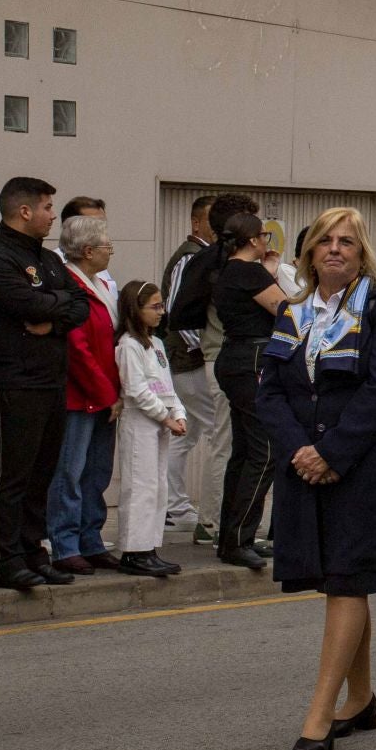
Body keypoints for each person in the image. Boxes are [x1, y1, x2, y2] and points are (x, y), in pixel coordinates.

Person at [253, 207, 376, 750]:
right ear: (309, 251)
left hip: (361, 467)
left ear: (361, 251)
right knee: (342, 580)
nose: (335, 250)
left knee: (347, 579)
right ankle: (362, 697)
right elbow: (270, 388)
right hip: (305, 464)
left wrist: (331, 452)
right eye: (325, 241)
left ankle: (320, 713)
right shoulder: (293, 310)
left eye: (347, 242)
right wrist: (300, 449)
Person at [0, 178, 87, 589]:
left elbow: (81, 304)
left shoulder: (49, 260)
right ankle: (5, 558)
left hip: (51, 381)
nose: (54, 214)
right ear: (25, 211)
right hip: (14, 382)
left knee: (40, 475)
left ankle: (33, 550)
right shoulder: (0, 256)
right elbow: (22, 302)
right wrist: (55, 305)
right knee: (10, 476)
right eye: (49, 207)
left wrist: (50, 318)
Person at [208, 212, 290, 570]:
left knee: (244, 451)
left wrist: (269, 271)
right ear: (254, 240)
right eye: (264, 237)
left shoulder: (229, 271)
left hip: (236, 357)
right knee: (265, 449)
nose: (266, 244)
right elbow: (287, 310)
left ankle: (232, 537)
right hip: (254, 359)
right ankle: (240, 537)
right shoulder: (248, 272)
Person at [46, 216, 123, 575]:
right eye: (107, 245)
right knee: (70, 473)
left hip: (104, 392)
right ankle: (65, 543)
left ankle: (91, 539)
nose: (110, 251)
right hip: (80, 395)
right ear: (88, 250)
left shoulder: (99, 284)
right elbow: (78, 349)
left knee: (97, 472)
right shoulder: (71, 284)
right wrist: (107, 393)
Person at [162, 195, 224, 544]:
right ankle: (190, 511)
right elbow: (177, 312)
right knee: (216, 432)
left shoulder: (201, 256)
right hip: (191, 362)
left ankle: (174, 504)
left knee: (190, 434)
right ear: (196, 223)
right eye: (212, 222)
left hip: (191, 361)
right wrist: (206, 350)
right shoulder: (191, 256)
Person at [113, 280, 186, 577]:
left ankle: (149, 546)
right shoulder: (128, 346)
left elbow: (167, 386)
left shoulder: (156, 344)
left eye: (161, 305)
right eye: (154, 307)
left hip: (160, 421)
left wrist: (177, 412)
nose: (161, 312)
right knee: (140, 486)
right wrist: (163, 416)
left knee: (157, 485)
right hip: (140, 420)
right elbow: (136, 389)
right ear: (136, 309)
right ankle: (133, 549)